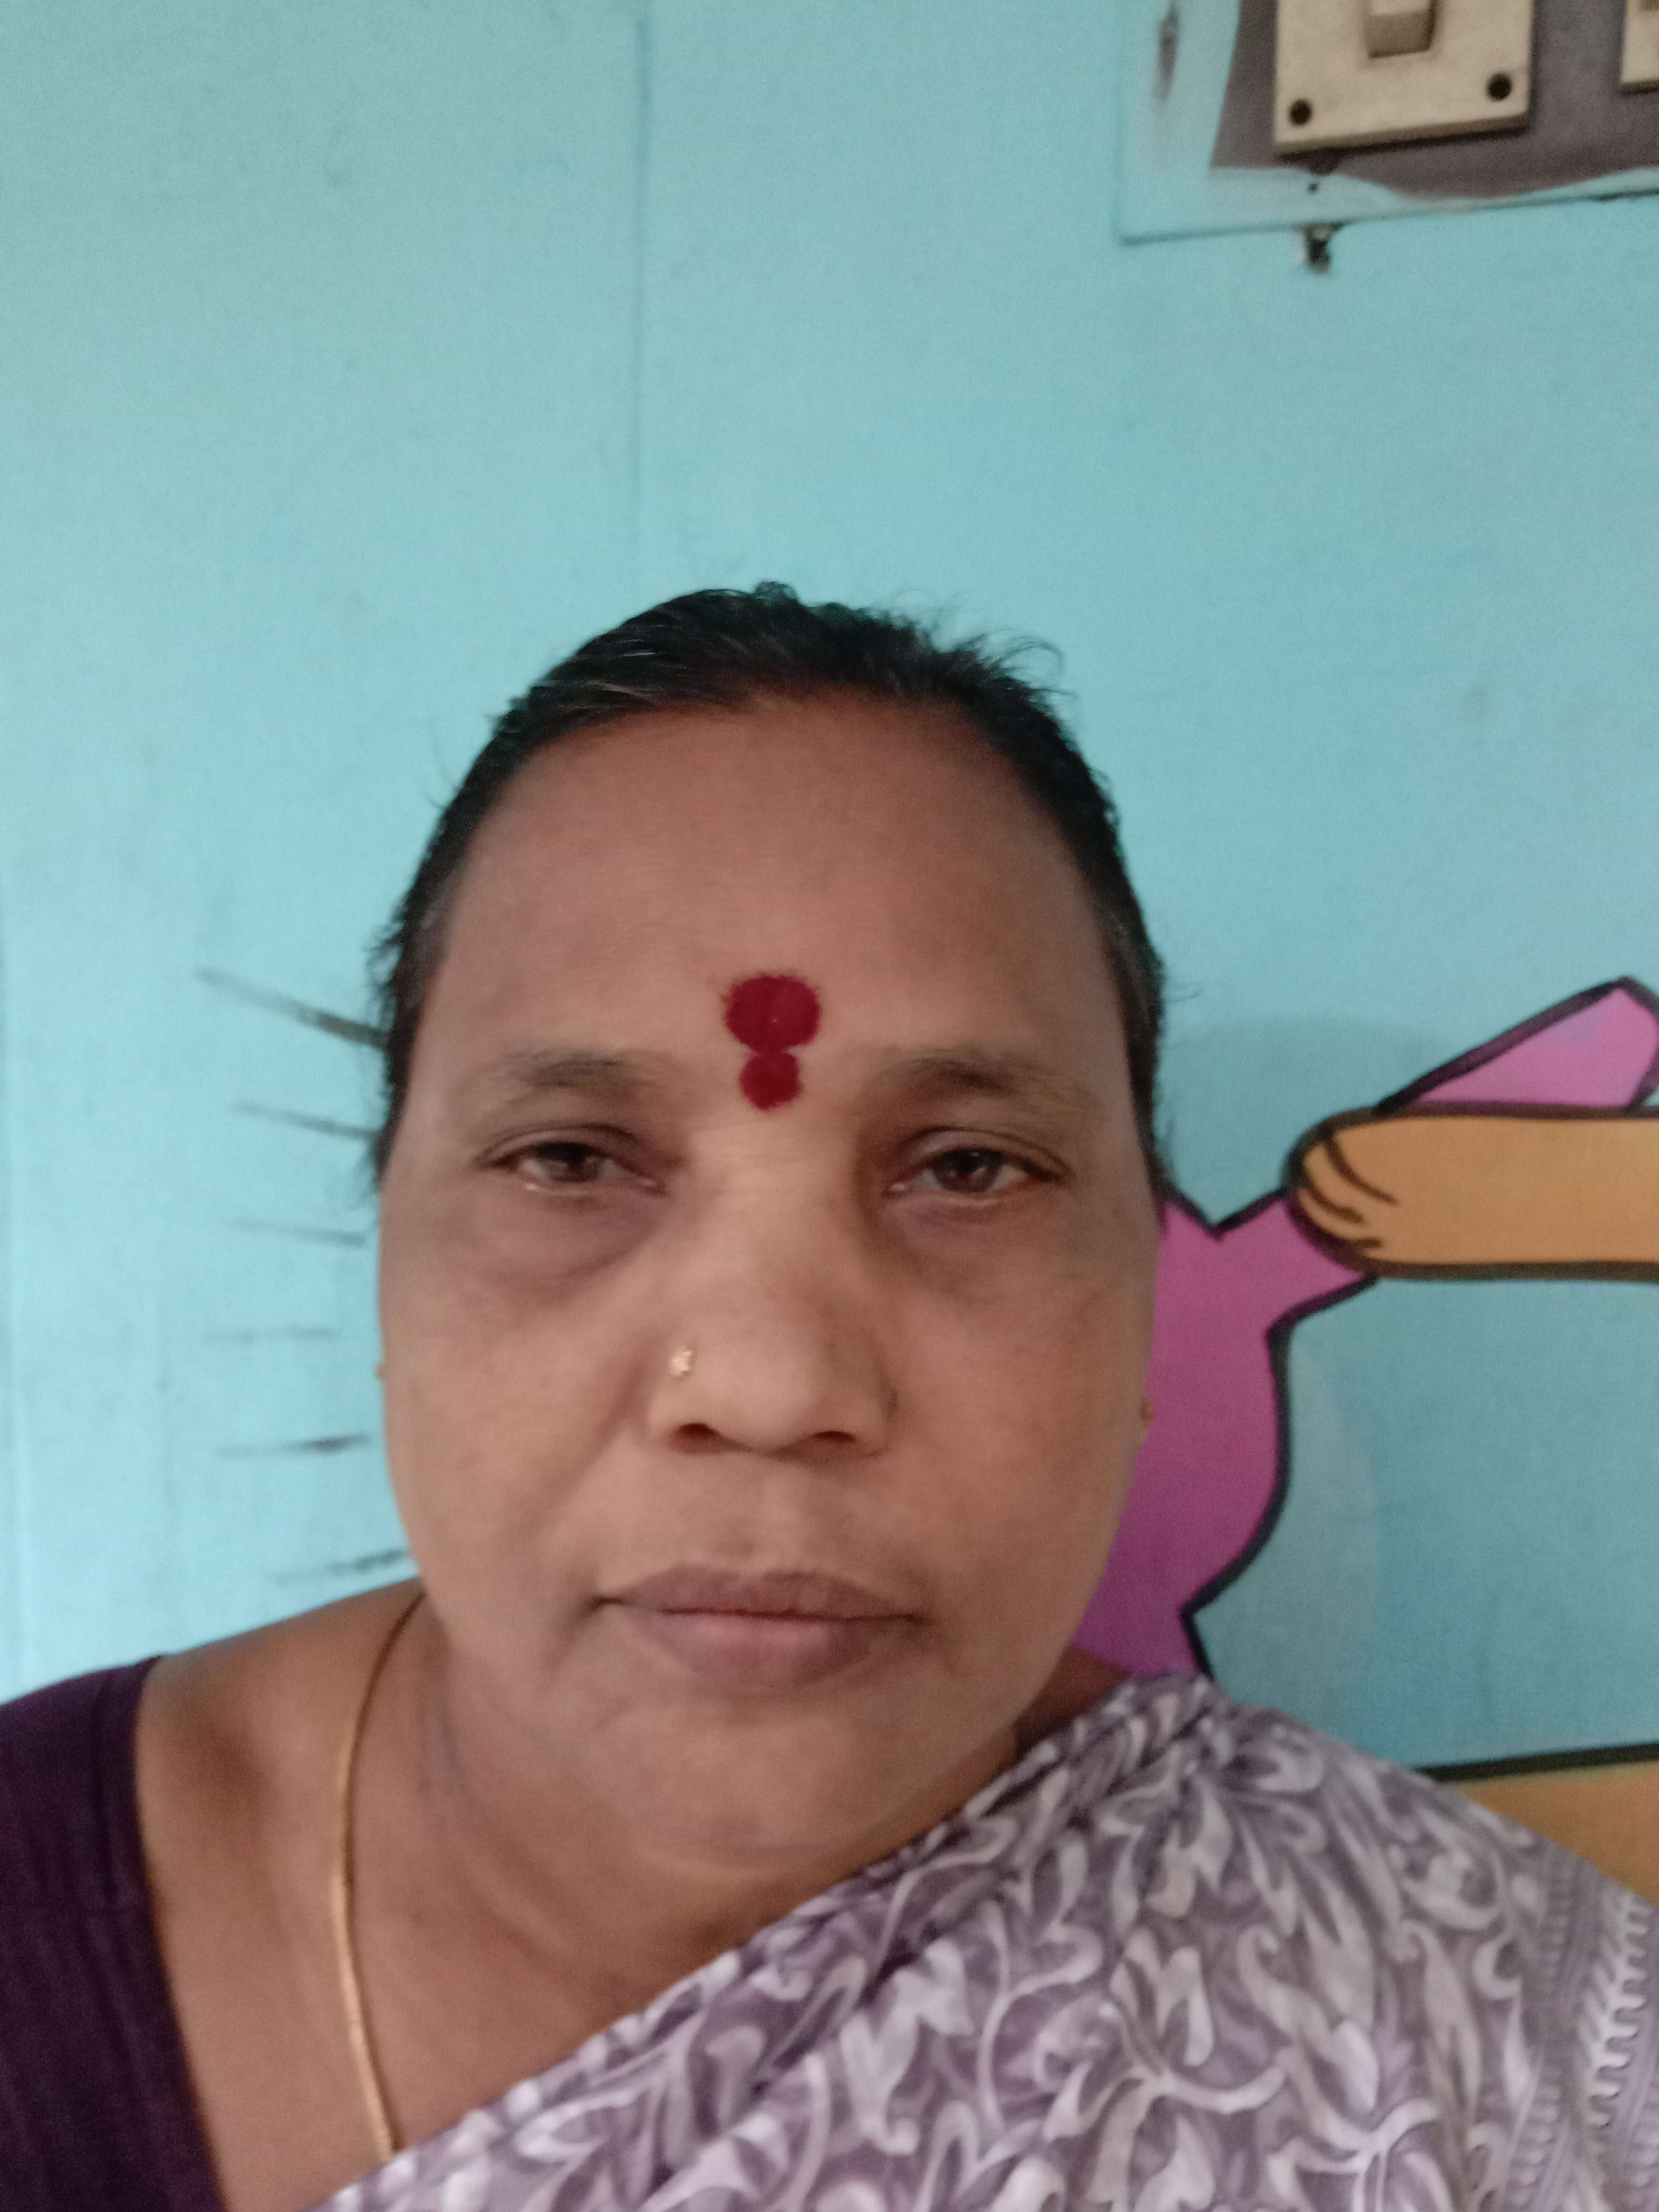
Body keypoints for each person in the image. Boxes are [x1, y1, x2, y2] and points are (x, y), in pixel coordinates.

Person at [1, 586, 1654, 2212]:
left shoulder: (1474, 2035)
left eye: (969, 1167)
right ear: (389, 1259)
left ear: (1145, 1298)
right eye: (571, 1158)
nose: (772, 1387)